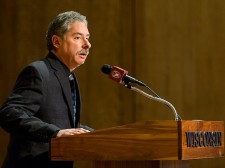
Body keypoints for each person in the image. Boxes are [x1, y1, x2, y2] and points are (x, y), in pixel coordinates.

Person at [0, 11, 93, 168]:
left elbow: (62, 124)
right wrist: (54, 133)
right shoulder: (38, 72)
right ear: (56, 42)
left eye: (88, 38)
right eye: (78, 37)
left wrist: (99, 135)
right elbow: (10, 114)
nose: (87, 44)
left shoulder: (68, 76)